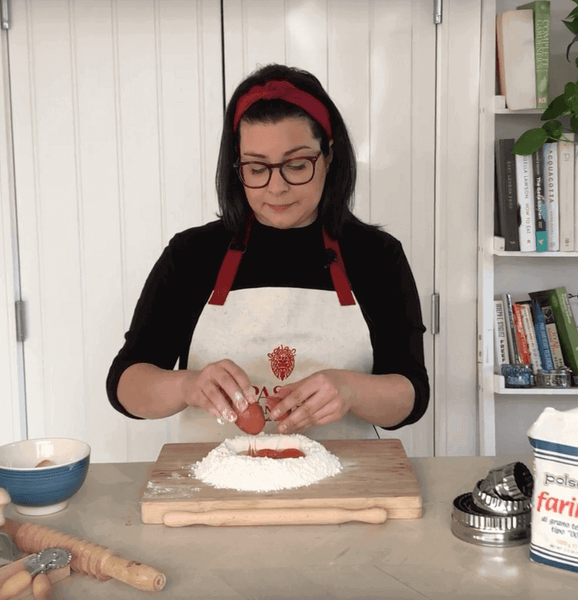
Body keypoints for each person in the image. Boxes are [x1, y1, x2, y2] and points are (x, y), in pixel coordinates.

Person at [106, 63, 430, 442]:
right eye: (257, 168)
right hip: (217, 492)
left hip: (344, 489)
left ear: (329, 157)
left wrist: (351, 390)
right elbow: (125, 385)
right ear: (236, 167)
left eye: (296, 165)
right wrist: (186, 386)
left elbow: (412, 396)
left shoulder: (376, 256)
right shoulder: (192, 254)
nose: (276, 188)